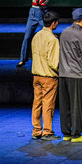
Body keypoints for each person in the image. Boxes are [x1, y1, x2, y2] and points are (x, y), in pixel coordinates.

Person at [18, 0, 65, 67]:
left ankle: (49, 58)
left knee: (47, 35)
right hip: (33, 11)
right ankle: (22, 59)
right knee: (27, 37)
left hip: (43, 12)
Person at [58, 8, 82, 143]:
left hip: (63, 73)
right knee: (78, 105)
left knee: (65, 105)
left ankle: (66, 133)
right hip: (76, 74)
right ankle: (76, 134)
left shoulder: (64, 32)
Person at [31, 11, 61, 141]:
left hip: (36, 75)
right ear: (53, 23)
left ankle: (36, 130)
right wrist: (60, 72)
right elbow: (54, 62)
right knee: (48, 104)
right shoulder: (52, 39)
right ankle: (47, 131)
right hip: (48, 77)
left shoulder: (36, 36)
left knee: (37, 103)